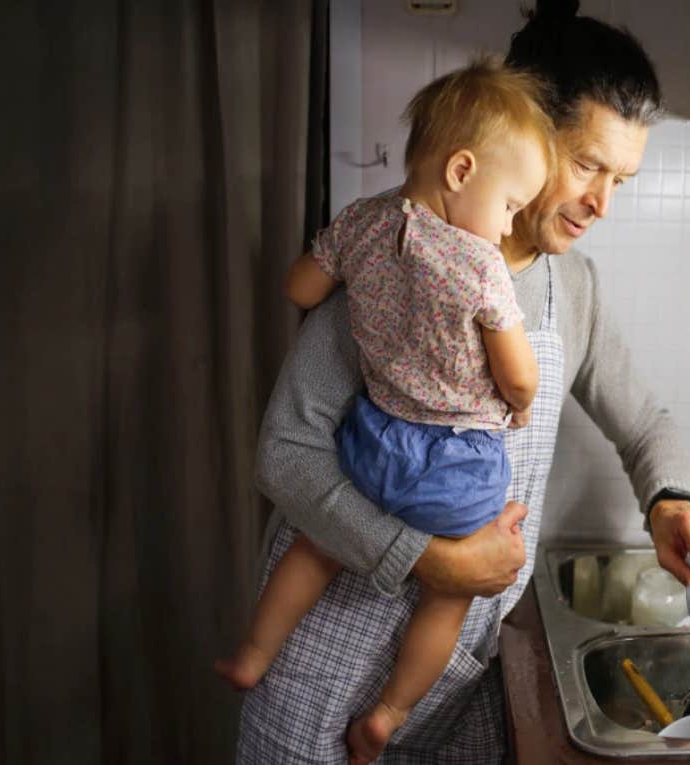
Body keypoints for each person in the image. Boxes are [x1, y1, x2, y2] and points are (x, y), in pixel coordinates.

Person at [237, 2, 690, 762]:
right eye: (587, 165)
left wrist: (669, 498)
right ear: (528, 131)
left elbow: (644, 422)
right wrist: (430, 558)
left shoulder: (573, 289)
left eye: (621, 179)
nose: (602, 204)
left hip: (451, 673)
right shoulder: (396, 255)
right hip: (326, 652)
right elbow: (284, 453)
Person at [217, 58, 554, 763]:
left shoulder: (362, 223)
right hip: (455, 465)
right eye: (511, 204)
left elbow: (301, 286)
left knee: (315, 549)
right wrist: (519, 404)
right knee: (447, 600)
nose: (508, 222)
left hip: (375, 442)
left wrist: (351, 280)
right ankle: (389, 712)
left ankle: (253, 648)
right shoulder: (481, 263)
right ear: (461, 171)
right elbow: (520, 377)